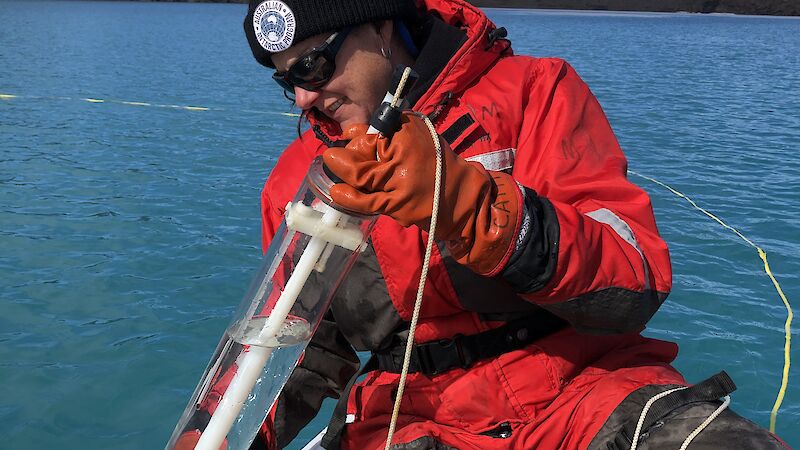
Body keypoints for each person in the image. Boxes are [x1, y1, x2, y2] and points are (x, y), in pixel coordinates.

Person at [226, 0, 791, 449]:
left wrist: (474, 208)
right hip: (410, 418)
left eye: (313, 66)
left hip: (584, 389)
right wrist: (219, 432)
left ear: (377, 27)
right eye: (286, 82)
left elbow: (635, 278)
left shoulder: (534, 92)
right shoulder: (296, 183)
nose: (304, 97)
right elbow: (302, 345)